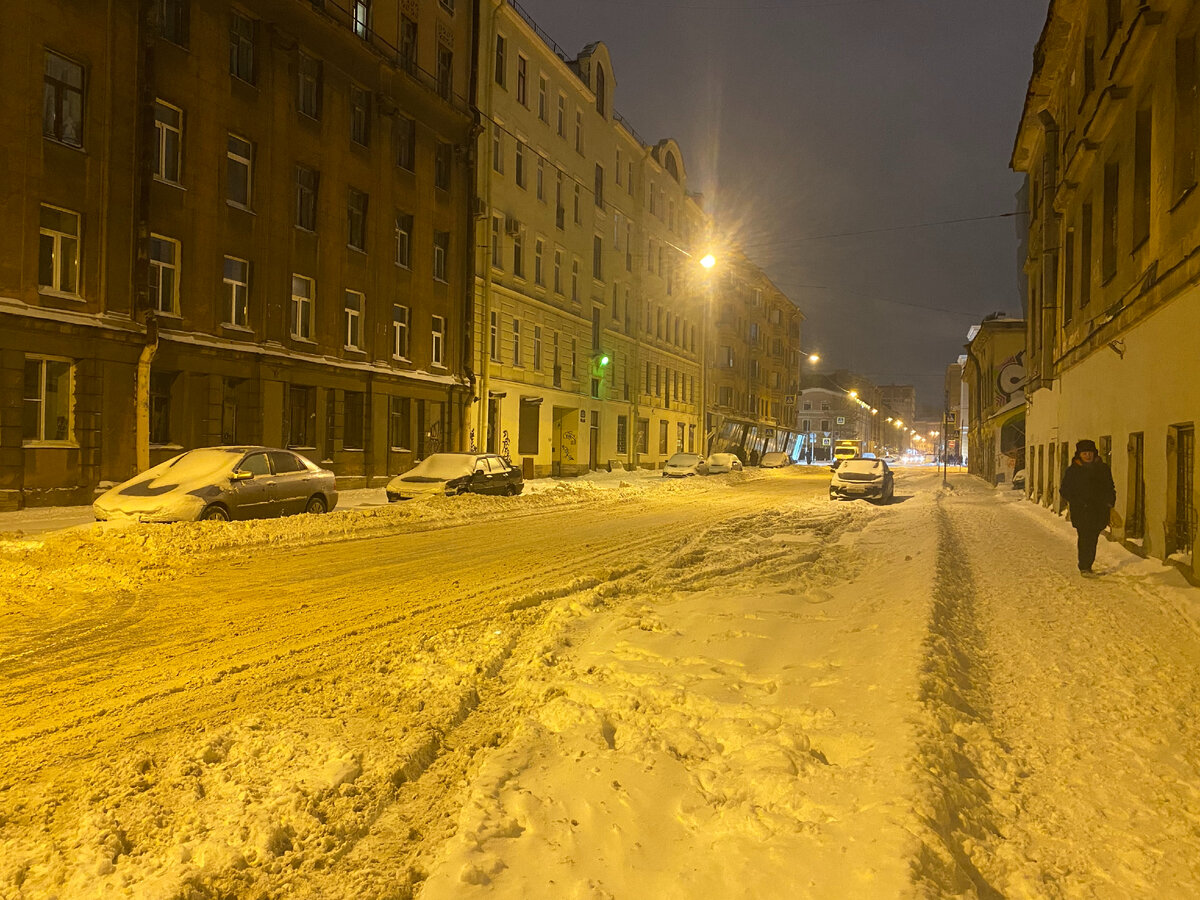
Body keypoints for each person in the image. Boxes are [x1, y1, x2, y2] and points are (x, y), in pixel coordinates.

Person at [1059, 439, 1116, 575]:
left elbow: (1110, 487)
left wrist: (1109, 502)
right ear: (1079, 454)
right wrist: (1077, 501)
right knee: (1085, 537)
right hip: (1081, 510)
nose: (1087, 456)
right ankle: (1084, 565)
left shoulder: (1102, 469)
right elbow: (1065, 490)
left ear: (1094, 453)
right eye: (1084, 453)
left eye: (1090, 453)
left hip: (1098, 510)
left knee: (1093, 538)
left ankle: (1087, 564)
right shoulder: (1073, 470)